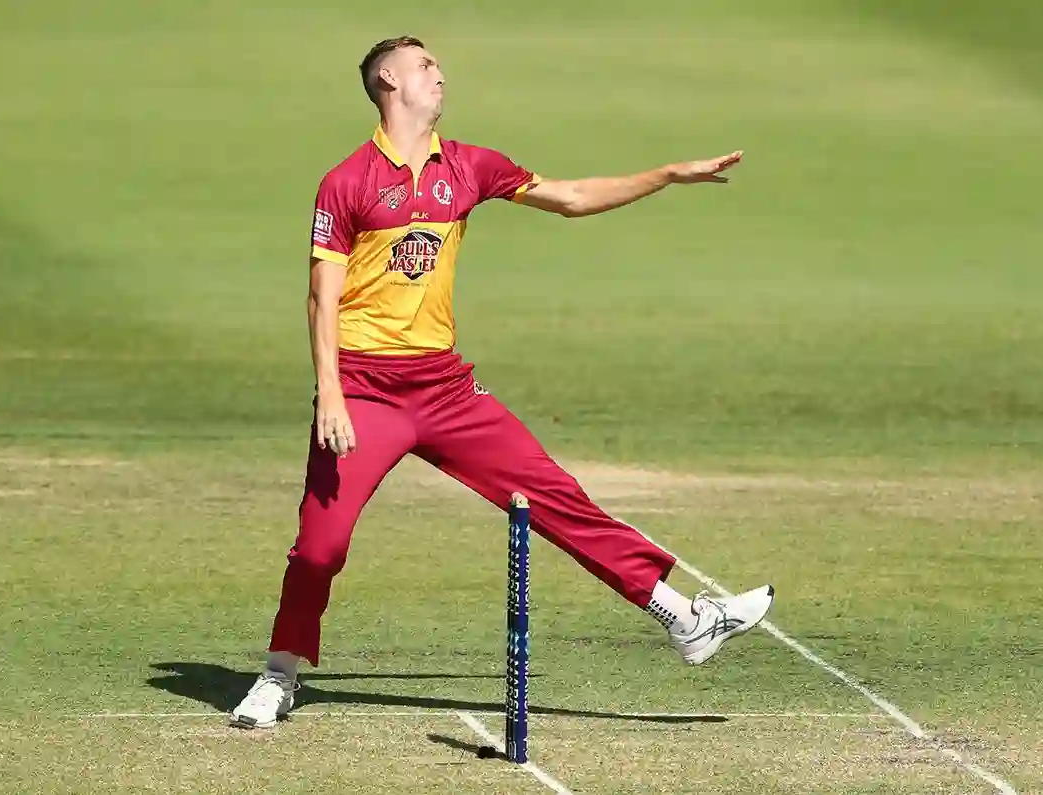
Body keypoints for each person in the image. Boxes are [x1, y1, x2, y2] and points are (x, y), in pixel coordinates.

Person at [229, 35, 773, 729]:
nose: (439, 73)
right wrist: (331, 392)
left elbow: (572, 198)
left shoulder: (469, 166)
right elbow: (320, 298)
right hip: (364, 392)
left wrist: (665, 173)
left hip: (446, 391)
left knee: (556, 497)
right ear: (388, 81)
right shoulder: (348, 181)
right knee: (319, 547)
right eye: (425, 65)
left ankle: (685, 618)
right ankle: (279, 675)